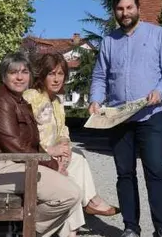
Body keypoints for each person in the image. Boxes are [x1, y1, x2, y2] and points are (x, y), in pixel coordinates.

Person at [0, 52, 101, 237]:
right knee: (70, 193)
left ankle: (35, 233)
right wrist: (51, 164)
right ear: (3, 76)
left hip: (15, 164)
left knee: (71, 183)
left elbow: (31, 143)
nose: (20, 77)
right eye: (13, 72)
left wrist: (53, 158)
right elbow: (15, 146)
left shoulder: (18, 101)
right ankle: (25, 232)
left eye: (24, 72)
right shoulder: (1, 101)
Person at [89, 0, 162, 237]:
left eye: (129, 8)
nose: (125, 13)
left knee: (155, 173)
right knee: (125, 175)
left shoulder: (157, 35)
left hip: (150, 116)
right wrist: (95, 100)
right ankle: (130, 229)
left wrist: (160, 91)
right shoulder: (109, 41)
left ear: (137, 7)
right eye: (120, 9)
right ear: (114, 11)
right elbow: (99, 77)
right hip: (119, 120)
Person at [22, 52, 119, 218]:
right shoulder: (31, 97)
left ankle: (87, 205)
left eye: (60, 74)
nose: (56, 79)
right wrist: (51, 151)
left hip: (53, 154)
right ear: (42, 75)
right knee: (77, 163)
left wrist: (65, 145)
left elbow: (62, 129)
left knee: (77, 157)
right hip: (34, 156)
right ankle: (90, 203)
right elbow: (25, 135)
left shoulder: (57, 101)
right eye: (51, 74)